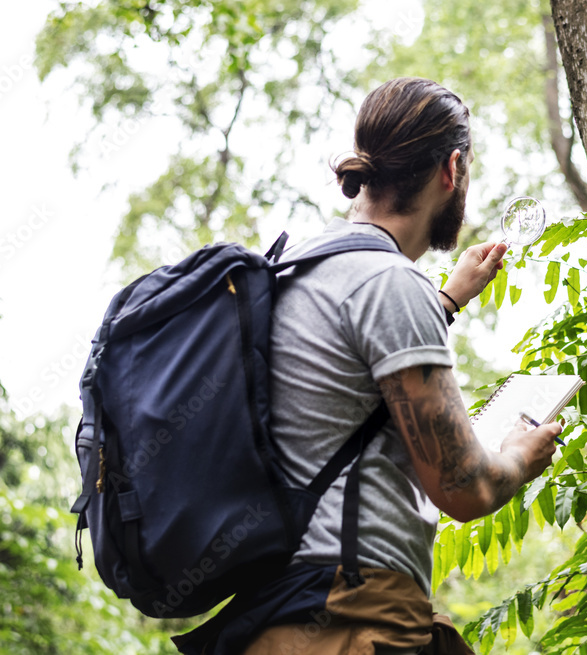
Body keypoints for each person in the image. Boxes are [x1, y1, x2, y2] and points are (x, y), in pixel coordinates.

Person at [184, 77, 561, 655]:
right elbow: (463, 490)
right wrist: (518, 456)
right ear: (450, 170)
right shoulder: (391, 286)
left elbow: (344, 385)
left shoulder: (297, 269)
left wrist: (447, 300)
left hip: (271, 618)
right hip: (350, 617)